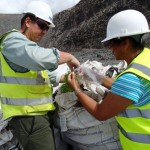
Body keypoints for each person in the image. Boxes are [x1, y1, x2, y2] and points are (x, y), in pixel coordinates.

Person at [0, 1, 80, 150]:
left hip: (36, 116)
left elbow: (43, 76)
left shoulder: (26, 48)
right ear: (28, 21)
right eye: (42, 25)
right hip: (28, 117)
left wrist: (66, 79)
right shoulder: (12, 41)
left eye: (47, 28)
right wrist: (69, 57)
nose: (44, 31)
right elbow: (37, 58)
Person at [67, 9, 150, 150]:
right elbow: (124, 89)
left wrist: (76, 89)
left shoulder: (132, 78)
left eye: (111, 42)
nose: (109, 47)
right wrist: (94, 76)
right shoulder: (145, 59)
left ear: (125, 42)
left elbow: (100, 113)